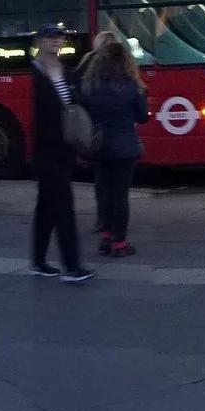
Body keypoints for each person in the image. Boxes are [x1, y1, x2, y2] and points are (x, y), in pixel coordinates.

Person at [27, 30, 92, 282]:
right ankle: (72, 267)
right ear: (40, 42)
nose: (56, 40)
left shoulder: (66, 71)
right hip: (46, 150)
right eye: (51, 37)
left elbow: (75, 103)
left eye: (60, 37)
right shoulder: (33, 73)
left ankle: (38, 261)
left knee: (46, 206)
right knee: (64, 205)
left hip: (65, 148)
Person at [77, 30, 149, 258]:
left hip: (99, 147)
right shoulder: (131, 85)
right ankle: (120, 243)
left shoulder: (91, 85)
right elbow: (142, 116)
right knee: (121, 196)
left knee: (106, 193)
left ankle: (106, 237)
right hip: (126, 148)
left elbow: (83, 111)